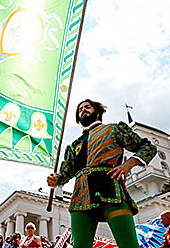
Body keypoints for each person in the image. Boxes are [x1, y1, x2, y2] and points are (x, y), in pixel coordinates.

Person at [47, 99, 157, 248]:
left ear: (97, 112)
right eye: (80, 110)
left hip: (112, 190)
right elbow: (65, 173)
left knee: (128, 244)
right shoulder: (74, 146)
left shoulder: (114, 129)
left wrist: (127, 165)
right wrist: (56, 179)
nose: (83, 110)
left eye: (87, 107)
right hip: (81, 197)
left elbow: (147, 147)